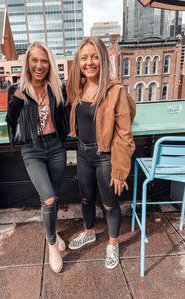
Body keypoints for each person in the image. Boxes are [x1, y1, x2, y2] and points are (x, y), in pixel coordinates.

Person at [67, 37, 136, 269]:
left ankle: (113, 242)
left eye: (95, 56)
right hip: (83, 153)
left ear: (103, 59)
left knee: (109, 203)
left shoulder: (115, 91)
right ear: (79, 61)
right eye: (84, 57)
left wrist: (120, 170)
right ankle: (89, 232)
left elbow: (125, 135)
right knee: (86, 198)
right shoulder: (77, 87)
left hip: (105, 156)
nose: (89, 62)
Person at [6, 42, 69, 273]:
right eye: (35, 60)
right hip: (32, 149)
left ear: (49, 63)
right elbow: (10, 122)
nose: (39, 65)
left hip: (55, 147)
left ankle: (51, 231)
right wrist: (18, 100)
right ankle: (52, 243)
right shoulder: (17, 89)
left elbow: (65, 116)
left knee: (53, 196)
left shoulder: (56, 88)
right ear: (28, 63)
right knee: (49, 198)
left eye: (44, 61)